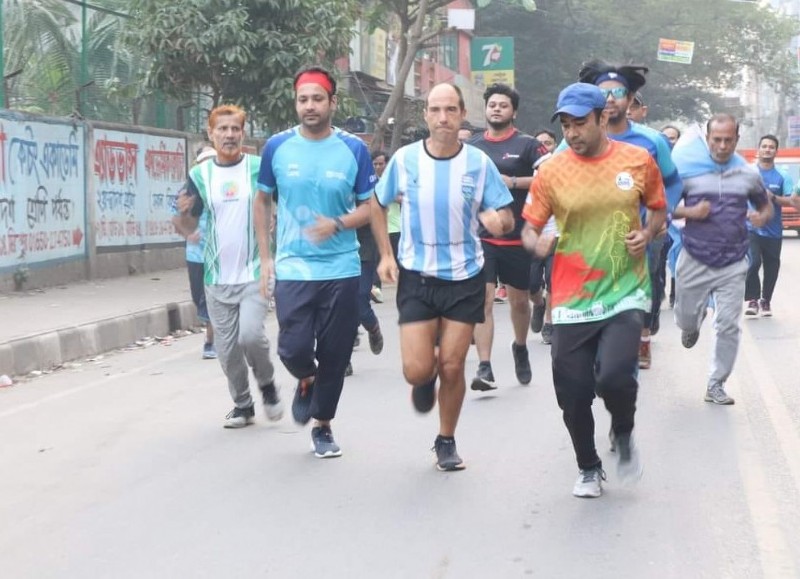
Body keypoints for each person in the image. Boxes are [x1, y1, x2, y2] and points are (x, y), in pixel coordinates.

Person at [522, 82, 666, 498]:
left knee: (616, 377)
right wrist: (538, 245)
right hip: (571, 296)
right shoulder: (551, 169)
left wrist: (647, 233)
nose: (572, 133)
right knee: (573, 392)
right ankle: (588, 466)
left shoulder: (637, 161)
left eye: (579, 123)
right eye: (565, 125)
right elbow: (529, 229)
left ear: (603, 118)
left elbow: (658, 210)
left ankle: (622, 432)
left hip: (624, 288)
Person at [372, 82, 514, 471]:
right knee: (417, 370)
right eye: (435, 110)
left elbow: (505, 216)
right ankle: (423, 377)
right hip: (417, 275)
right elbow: (376, 203)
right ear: (425, 115)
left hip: (465, 275)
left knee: (453, 366)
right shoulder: (404, 160)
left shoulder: (479, 164)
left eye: (450, 110)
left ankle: (446, 439)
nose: (443, 118)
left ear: (462, 113)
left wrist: (496, 221)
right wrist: (385, 254)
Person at [256, 66, 375, 458]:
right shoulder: (276, 147)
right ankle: (305, 377)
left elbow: (370, 208)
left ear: (332, 102)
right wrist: (266, 257)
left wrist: (338, 223)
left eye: (318, 99)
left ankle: (323, 426)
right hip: (294, 265)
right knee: (292, 347)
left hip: (341, 266)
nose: (310, 106)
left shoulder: (353, 149)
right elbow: (262, 200)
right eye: (303, 99)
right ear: (296, 103)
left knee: (336, 353)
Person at [175, 106, 282, 428]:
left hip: (254, 272)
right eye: (222, 129)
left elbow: (281, 204)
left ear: (243, 133)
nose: (229, 135)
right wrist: (183, 215)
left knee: (250, 336)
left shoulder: (259, 168)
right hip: (217, 277)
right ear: (211, 134)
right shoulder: (198, 176)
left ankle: (267, 384)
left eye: (235, 128)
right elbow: (187, 224)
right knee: (227, 349)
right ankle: (243, 405)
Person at [576, 59, 683, 370]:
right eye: (603, 93)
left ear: (630, 98)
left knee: (641, 289)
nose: (610, 99)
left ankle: (641, 337)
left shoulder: (652, 140)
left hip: (641, 234)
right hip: (593, 237)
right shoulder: (577, 136)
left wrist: (661, 217)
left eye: (618, 92)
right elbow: (552, 176)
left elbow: (673, 182)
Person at [671, 114, 772, 405]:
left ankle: (716, 384)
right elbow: (662, 207)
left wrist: (760, 216)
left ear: (737, 140)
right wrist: (691, 213)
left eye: (729, 140)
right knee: (685, 318)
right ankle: (692, 324)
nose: (723, 145)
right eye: (717, 139)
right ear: (707, 139)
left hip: (733, 261)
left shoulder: (748, 175)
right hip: (695, 257)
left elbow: (765, 207)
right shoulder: (687, 172)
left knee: (728, 324)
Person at [467, 83, 546, 389]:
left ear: (514, 111)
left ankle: (521, 346)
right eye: (492, 104)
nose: (496, 109)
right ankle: (485, 367)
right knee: (484, 300)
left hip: (517, 235)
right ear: (485, 109)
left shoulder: (528, 145)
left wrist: (511, 181)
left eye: (503, 105)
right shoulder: (473, 147)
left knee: (519, 303)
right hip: (483, 236)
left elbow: (549, 177)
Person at [171, 145, 217, 360]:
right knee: (198, 298)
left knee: (213, 299)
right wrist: (188, 234)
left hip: (219, 254)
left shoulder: (223, 187)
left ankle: (211, 342)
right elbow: (175, 219)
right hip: (196, 255)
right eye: (204, 162)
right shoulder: (186, 192)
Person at [744, 134, 796, 317]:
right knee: (753, 263)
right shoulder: (748, 172)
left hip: (773, 230)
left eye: (771, 147)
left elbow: (791, 201)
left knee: (772, 266)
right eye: (764, 146)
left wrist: (773, 197)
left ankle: (766, 301)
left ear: (776, 151)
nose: (767, 149)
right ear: (758, 149)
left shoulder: (782, 176)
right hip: (751, 228)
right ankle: (752, 299)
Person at [530, 129, 558, 344]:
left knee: (553, 281)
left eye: (547, 143)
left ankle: (549, 322)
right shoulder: (525, 173)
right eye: (539, 144)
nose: (543, 147)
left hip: (556, 236)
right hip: (531, 237)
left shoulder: (563, 171)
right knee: (530, 284)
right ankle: (538, 305)